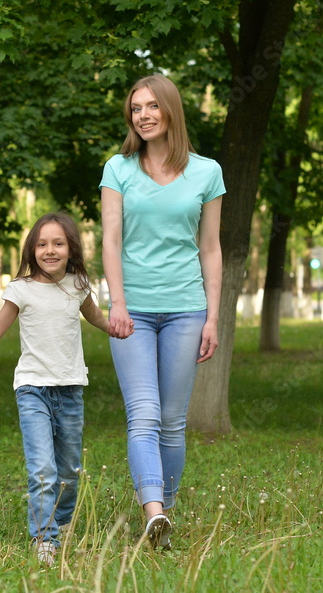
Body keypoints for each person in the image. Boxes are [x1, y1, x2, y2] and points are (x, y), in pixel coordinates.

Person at [0, 212, 128, 567]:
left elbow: (99, 320)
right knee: (42, 469)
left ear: (70, 248)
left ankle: (63, 523)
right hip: (32, 390)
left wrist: (119, 327)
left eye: (58, 243)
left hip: (71, 389)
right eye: (42, 244)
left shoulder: (78, 286)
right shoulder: (20, 289)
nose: (50, 250)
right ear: (32, 249)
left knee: (70, 471)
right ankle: (44, 538)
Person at [100, 74, 225, 551]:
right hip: (131, 312)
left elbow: (210, 248)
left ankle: (162, 518)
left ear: (171, 110)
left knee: (172, 420)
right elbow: (110, 239)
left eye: (153, 106)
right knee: (144, 414)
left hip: (186, 309)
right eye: (136, 108)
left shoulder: (206, 171)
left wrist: (212, 317)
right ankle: (153, 507)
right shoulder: (119, 169)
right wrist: (118, 301)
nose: (144, 115)